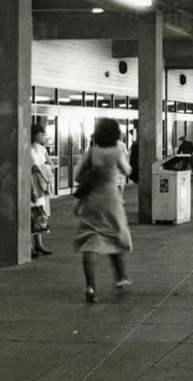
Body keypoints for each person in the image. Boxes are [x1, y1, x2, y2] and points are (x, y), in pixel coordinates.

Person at [73, 118, 133, 303]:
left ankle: (90, 286)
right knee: (115, 235)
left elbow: (77, 176)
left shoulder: (92, 151)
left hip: (91, 200)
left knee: (90, 242)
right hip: (110, 200)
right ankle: (120, 277)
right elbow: (127, 170)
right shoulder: (116, 152)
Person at [29, 124, 54, 256]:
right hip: (31, 183)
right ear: (34, 134)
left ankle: (39, 244)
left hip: (42, 183)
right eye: (41, 134)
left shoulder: (42, 149)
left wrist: (41, 168)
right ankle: (29, 246)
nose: (43, 136)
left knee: (40, 213)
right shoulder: (26, 149)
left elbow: (51, 164)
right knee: (31, 214)